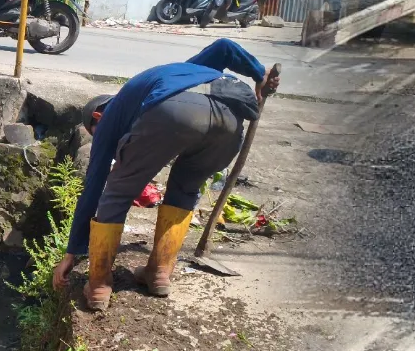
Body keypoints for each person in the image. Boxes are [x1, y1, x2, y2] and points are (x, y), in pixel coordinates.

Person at [53, 39, 274, 310]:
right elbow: (224, 48)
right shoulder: (183, 73)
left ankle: (99, 284)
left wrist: (72, 252)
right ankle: (158, 272)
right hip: (232, 118)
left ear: (98, 116)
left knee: (117, 192)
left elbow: (94, 185)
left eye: (94, 133)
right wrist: (259, 73)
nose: (102, 141)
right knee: (185, 187)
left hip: (175, 111)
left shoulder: (111, 116)